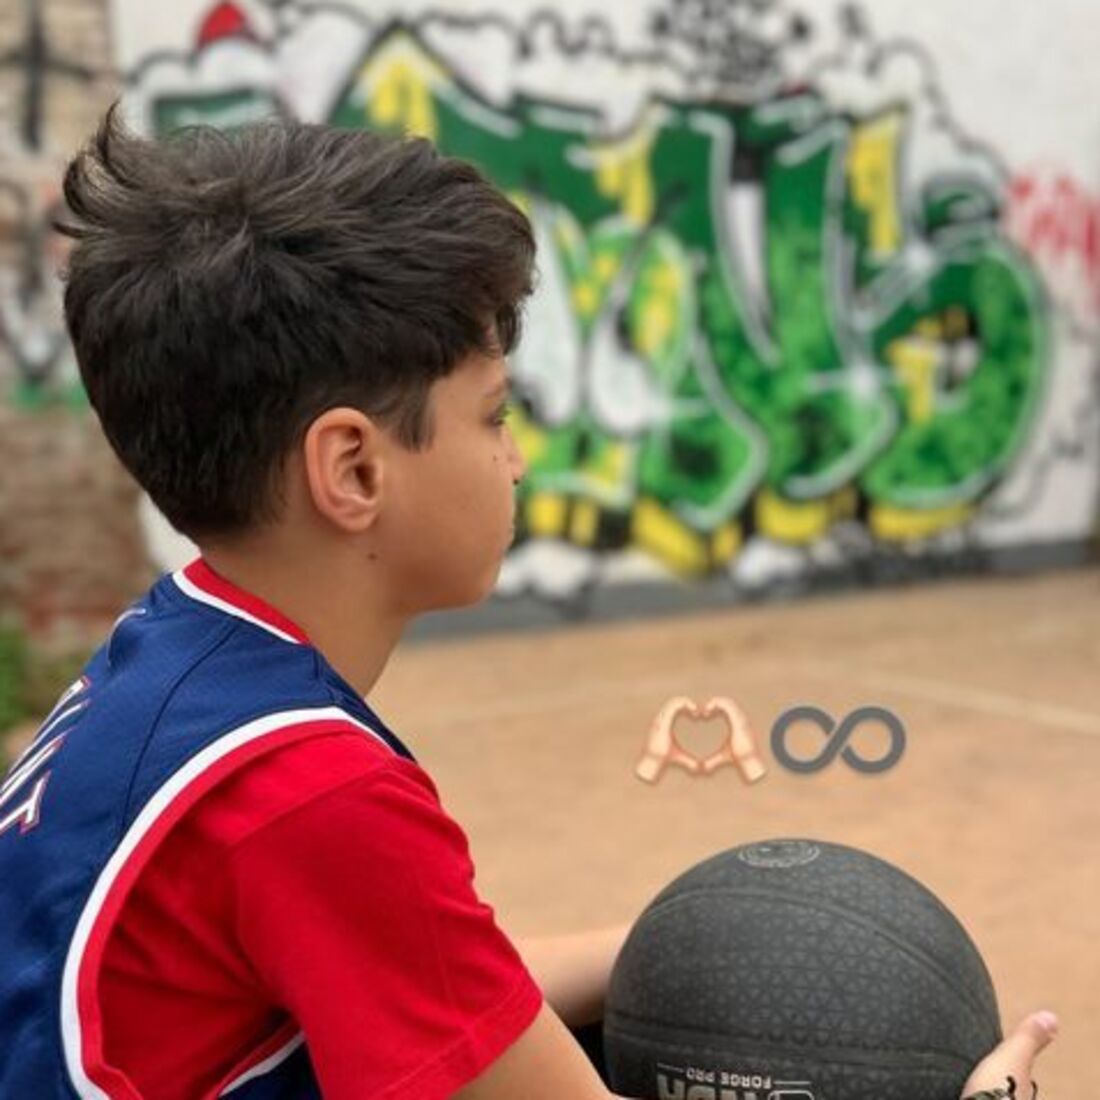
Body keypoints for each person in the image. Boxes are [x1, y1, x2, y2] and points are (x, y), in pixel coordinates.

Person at [0, 106, 1057, 1100]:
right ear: (353, 469)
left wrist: (721, 940)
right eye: (494, 416)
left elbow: (440, 984)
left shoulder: (172, 659)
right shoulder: (307, 791)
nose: (515, 460)